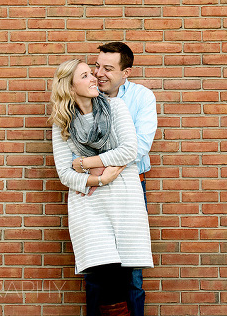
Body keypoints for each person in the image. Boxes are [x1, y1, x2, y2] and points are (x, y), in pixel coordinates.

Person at [50, 59, 153, 316]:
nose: (94, 78)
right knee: (101, 274)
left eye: (91, 73)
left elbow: (129, 150)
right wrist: (100, 179)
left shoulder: (115, 107)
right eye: (85, 76)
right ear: (71, 88)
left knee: (123, 277)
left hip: (123, 200)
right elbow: (65, 173)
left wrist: (85, 162)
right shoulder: (62, 123)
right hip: (89, 204)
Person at [92, 42, 157, 316]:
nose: (99, 73)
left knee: (131, 270)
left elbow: (140, 146)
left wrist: (110, 167)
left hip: (131, 185)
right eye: (96, 66)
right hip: (93, 189)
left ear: (126, 72)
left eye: (108, 68)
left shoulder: (142, 97)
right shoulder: (86, 94)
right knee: (96, 267)